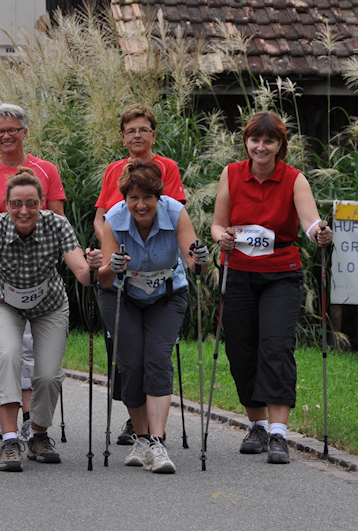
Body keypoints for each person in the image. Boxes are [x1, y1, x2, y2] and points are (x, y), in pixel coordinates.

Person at [211, 110, 332, 465]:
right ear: (246, 142)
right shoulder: (231, 174)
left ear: (280, 145)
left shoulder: (294, 179)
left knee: (276, 347)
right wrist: (224, 239)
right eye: (255, 140)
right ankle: (258, 425)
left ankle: (279, 435)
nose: (261, 147)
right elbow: (218, 226)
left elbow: (309, 222)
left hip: (281, 272)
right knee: (240, 349)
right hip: (239, 271)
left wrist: (319, 233)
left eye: (269, 141)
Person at [0, 168, 101, 472]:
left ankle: (38, 434)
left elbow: (82, 274)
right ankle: (11, 439)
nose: (23, 211)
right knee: (9, 356)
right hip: (4, 302)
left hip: (49, 303)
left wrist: (94, 266)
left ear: (41, 203)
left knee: (49, 375)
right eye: (16, 204)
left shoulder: (57, 224)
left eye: (31, 203)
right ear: (6, 205)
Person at [97, 160, 208, 474]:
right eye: (133, 198)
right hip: (122, 296)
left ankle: (157, 442)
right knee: (131, 361)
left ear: (159, 197)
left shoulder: (175, 213)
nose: (140, 205)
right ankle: (141, 438)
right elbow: (103, 278)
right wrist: (112, 266)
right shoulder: (115, 218)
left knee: (158, 358)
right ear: (125, 199)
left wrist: (202, 259)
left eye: (147, 197)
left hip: (166, 296)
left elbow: (194, 261)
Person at [0, 103, 66, 440]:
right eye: (0, 131)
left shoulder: (45, 169)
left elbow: (57, 218)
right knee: (3, 348)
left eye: (12, 130)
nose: (6, 136)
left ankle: (29, 417)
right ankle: (6, 417)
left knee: (29, 350)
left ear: (25, 132)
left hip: (37, 267)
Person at [93, 103, 187, 446]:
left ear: (153, 133)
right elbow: (103, 214)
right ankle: (137, 421)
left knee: (155, 354)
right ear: (122, 136)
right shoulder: (113, 170)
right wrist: (109, 241)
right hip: (120, 253)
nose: (136, 135)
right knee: (128, 354)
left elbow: (171, 212)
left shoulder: (167, 168)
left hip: (159, 264)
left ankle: (151, 431)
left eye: (143, 129)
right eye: (130, 130)